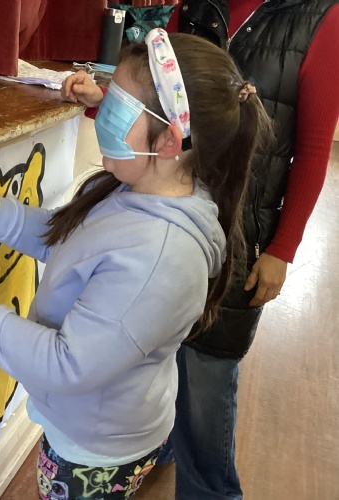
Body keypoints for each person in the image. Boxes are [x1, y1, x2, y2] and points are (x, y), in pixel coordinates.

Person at [0, 29, 272, 499]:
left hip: (96, 451)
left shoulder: (160, 258)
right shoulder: (135, 189)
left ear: (168, 141)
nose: (103, 111)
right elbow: (70, 242)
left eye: (119, 107)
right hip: (87, 421)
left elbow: (66, 365)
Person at [62, 1, 339, 498]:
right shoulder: (195, 7)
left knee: (209, 381)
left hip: (240, 236)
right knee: (163, 356)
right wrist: (108, 103)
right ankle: (166, 449)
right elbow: (161, 106)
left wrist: (283, 248)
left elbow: (314, 149)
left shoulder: (320, 18)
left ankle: (210, 489)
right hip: (164, 219)